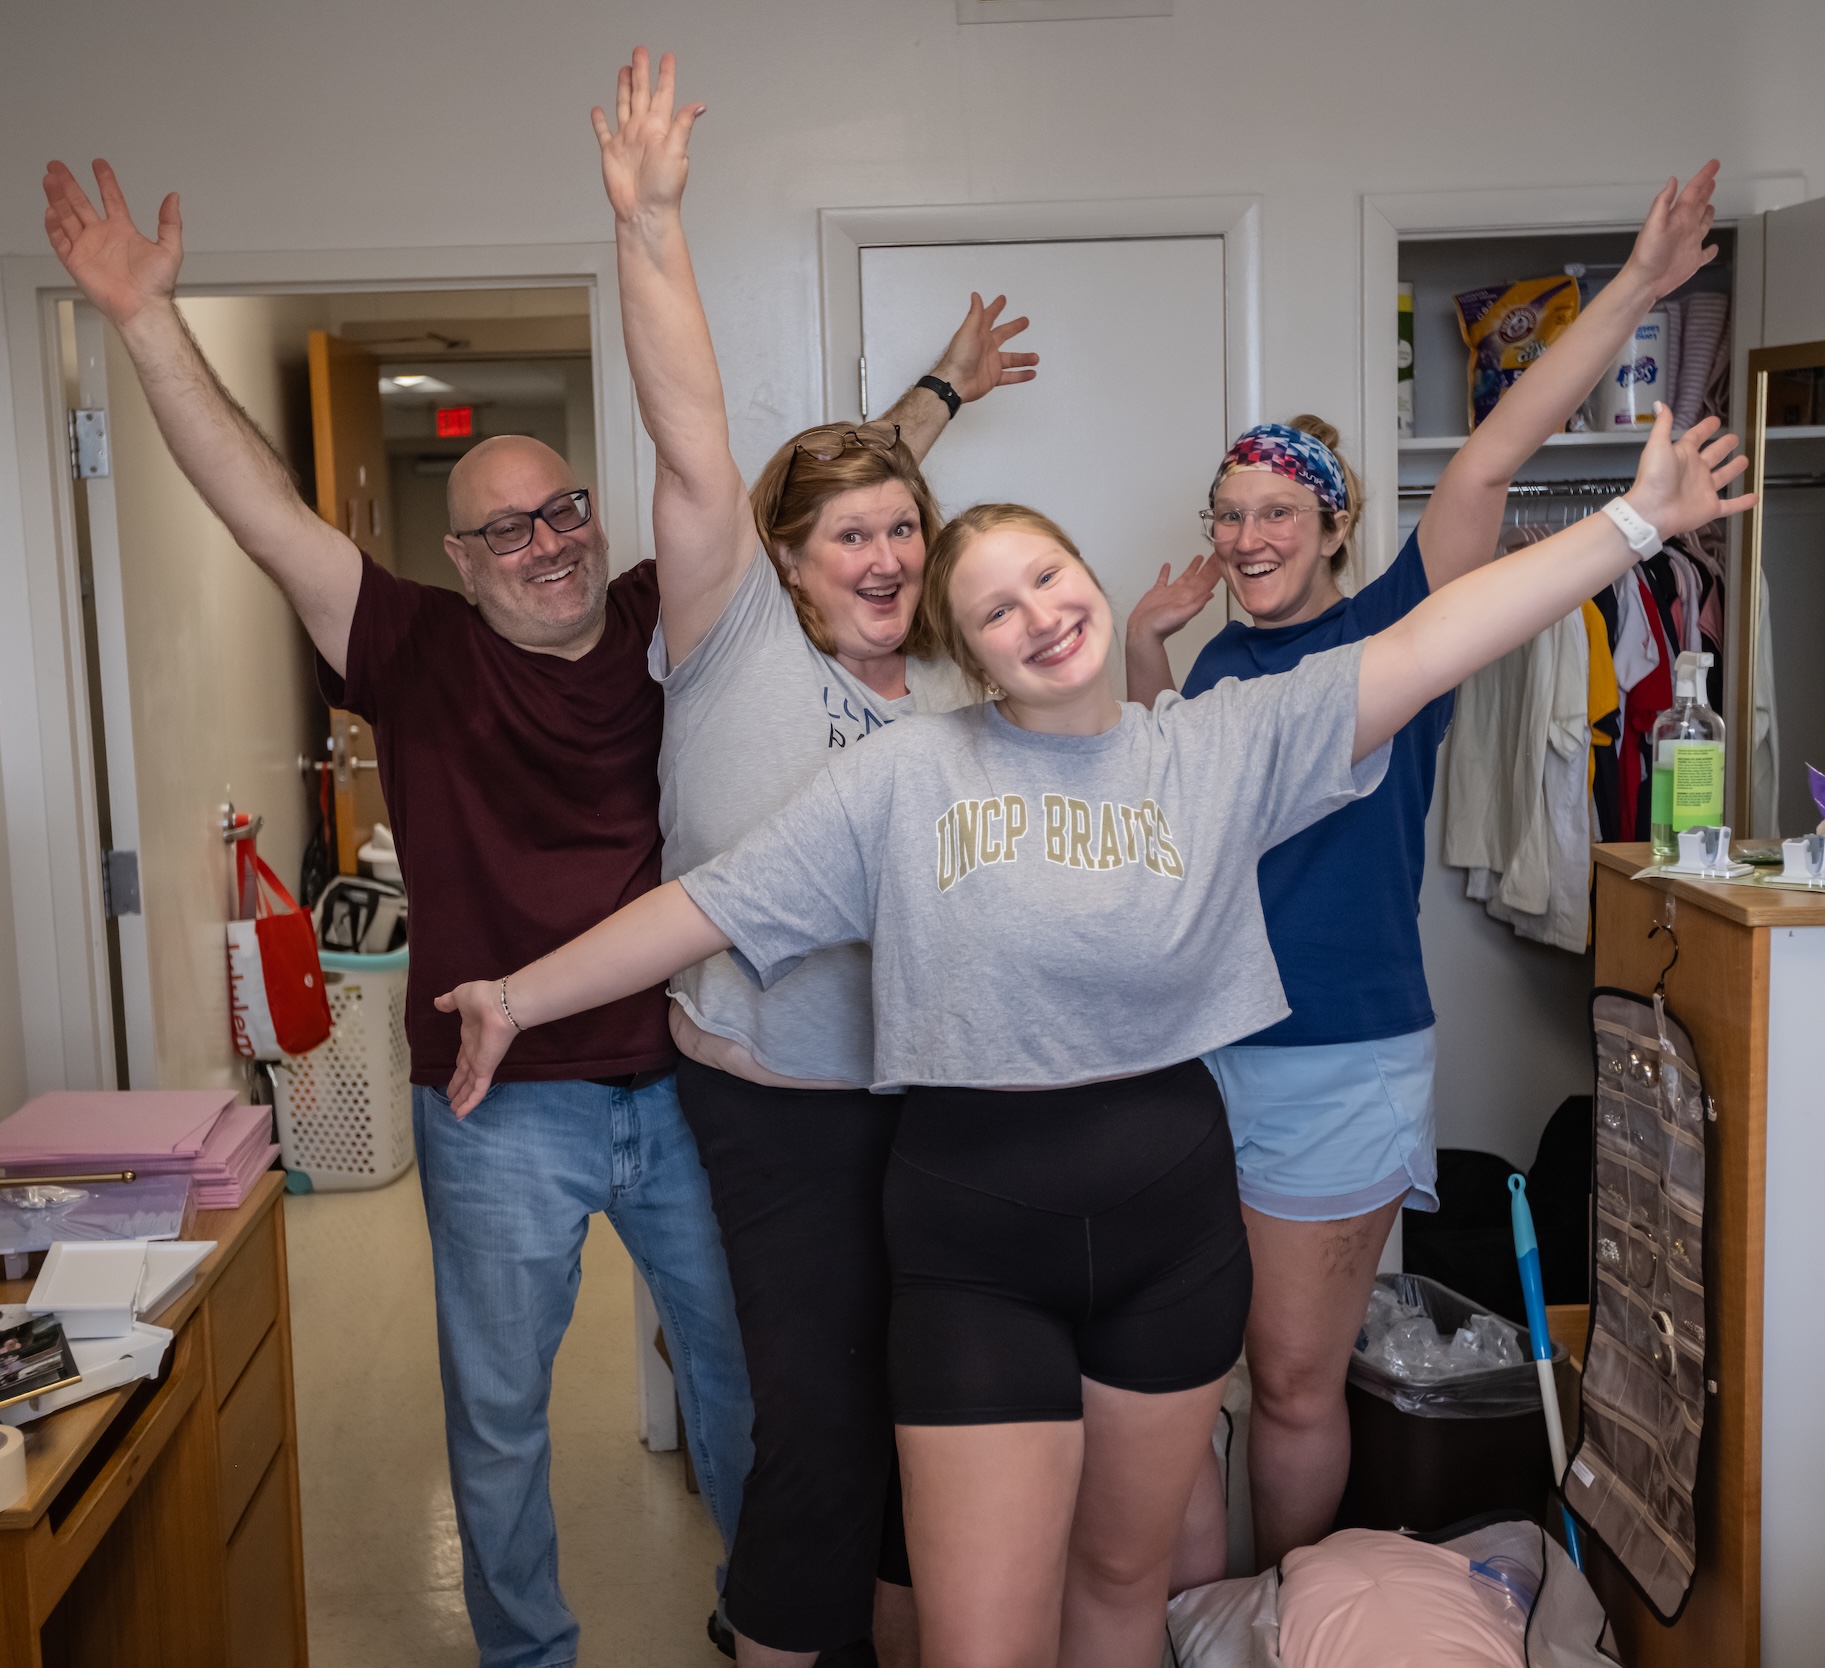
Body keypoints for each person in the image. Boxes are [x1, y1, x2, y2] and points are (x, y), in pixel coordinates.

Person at [433, 408, 1752, 1668]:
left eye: (1051, 577)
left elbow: (1435, 637)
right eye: (995, 609)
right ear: (964, 652)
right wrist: (518, 995)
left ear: (1091, 578)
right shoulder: (902, 777)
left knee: (1122, 1588)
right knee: (984, 1640)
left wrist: (1632, 525)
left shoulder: (1218, 748)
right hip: (967, 1245)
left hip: (1167, 1229)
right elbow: (697, 908)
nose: (1040, 615)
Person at [40, 157, 754, 1668]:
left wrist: (935, 387)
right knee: (496, 1424)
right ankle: (526, 1656)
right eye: (507, 530)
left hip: (685, 1077)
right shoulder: (410, 648)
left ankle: (770, 1628)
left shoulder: (655, 619)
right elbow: (261, 508)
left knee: (750, 1385)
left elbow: (754, 480)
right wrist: (148, 322)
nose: (547, 543)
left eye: (561, 510)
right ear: (458, 557)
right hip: (498, 1107)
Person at [1124, 162, 1727, 1573]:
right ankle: (1200, 1624)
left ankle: (1291, 1614)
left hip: (1333, 1057)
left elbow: (1485, 464)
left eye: (1281, 511)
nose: (1248, 536)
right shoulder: (1220, 660)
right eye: (1229, 513)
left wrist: (1637, 285)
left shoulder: (1402, 627)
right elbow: (1175, 822)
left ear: (1338, 525)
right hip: (1191, 1051)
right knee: (1181, 1383)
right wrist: (1153, 650)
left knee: (1287, 1382)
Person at [593, 48, 1037, 1668]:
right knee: (821, 1421)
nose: (885, 552)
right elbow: (700, 438)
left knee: (933, 1410)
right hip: (774, 1104)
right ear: (782, 561)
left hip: (927, 1097)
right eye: (846, 535)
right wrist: (651, 226)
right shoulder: (731, 648)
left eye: (904, 529)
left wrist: (942, 395)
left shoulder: (946, 679)